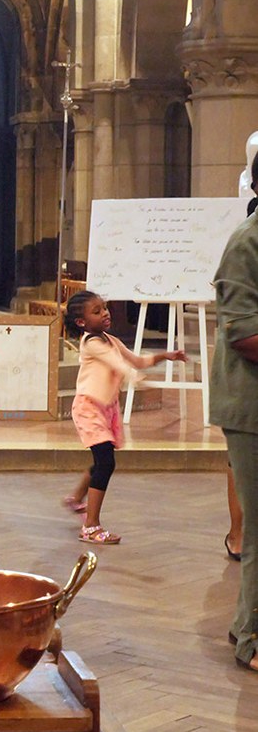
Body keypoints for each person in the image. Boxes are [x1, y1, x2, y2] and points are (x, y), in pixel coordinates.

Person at [64, 290, 187, 545]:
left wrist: (164, 356)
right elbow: (117, 363)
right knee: (105, 462)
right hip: (89, 408)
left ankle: (76, 498)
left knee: (102, 458)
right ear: (81, 322)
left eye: (104, 308)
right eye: (96, 311)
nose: (105, 313)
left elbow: (137, 361)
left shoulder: (110, 339)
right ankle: (91, 526)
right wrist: (132, 377)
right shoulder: (92, 343)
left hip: (106, 408)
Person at [211, 203, 258, 671]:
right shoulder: (247, 242)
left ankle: (246, 620)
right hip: (251, 406)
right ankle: (253, 640)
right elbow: (244, 333)